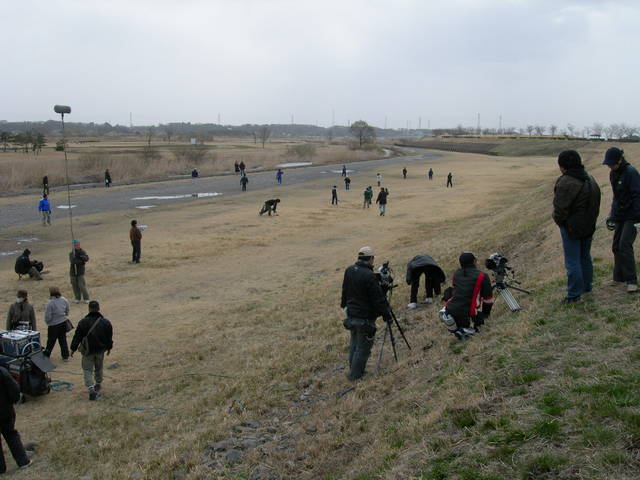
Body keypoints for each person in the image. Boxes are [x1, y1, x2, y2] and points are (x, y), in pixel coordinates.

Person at [553, 150, 601, 303]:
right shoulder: (590, 178)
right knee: (585, 257)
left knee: (572, 261)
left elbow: (559, 209)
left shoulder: (566, 181)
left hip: (571, 227)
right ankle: (586, 287)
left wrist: (561, 222)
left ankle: (574, 295)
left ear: (563, 166)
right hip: (588, 224)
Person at [341, 246, 391, 381]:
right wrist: (386, 314)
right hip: (365, 318)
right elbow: (377, 298)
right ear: (370, 259)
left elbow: (345, 289)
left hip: (351, 314)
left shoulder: (349, 270)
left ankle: (354, 371)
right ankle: (355, 377)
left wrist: (343, 305)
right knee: (362, 349)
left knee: (354, 344)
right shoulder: (369, 275)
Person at [602, 147, 640, 293]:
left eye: (612, 163)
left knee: (625, 245)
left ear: (620, 159)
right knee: (616, 246)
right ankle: (619, 277)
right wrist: (612, 213)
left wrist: (638, 217)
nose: (610, 166)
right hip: (620, 215)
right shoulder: (613, 174)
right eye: (608, 164)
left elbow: (638, 195)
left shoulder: (631, 172)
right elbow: (616, 196)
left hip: (632, 215)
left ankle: (632, 282)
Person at [441, 253, 494, 339]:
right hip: (468, 313)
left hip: (450, 309)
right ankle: (465, 330)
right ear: (474, 261)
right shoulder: (482, 276)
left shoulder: (456, 274)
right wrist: (486, 315)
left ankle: (458, 329)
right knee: (479, 322)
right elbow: (488, 300)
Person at [70, 301, 113, 401]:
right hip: (100, 350)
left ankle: (90, 388)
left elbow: (77, 337)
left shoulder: (83, 322)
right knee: (99, 367)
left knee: (87, 369)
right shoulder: (106, 322)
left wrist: (73, 349)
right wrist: (109, 348)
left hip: (87, 351)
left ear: (89, 309)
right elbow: (109, 337)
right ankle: (98, 383)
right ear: (99, 308)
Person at [0, 365, 32, 472]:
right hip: (4, 410)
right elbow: (14, 389)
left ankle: (1, 468)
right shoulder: (2, 371)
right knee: (11, 434)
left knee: (11, 434)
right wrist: (14, 399)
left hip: (4, 409)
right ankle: (23, 461)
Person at [43, 286, 70, 361]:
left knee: (51, 341)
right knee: (63, 339)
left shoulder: (50, 303)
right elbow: (67, 310)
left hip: (53, 325)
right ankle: (65, 356)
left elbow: (47, 316)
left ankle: (47, 355)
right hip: (63, 322)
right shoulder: (64, 299)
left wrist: (48, 322)